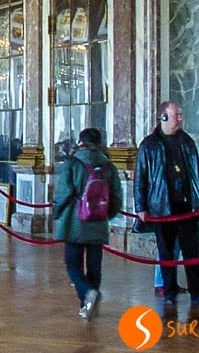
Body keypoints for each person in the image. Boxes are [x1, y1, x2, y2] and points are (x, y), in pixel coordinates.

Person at [134, 101, 199, 308]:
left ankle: (197, 292)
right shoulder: (149, 144)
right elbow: (141, 177)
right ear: (163, 117)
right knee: (166, 252)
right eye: (176, 115)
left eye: (180, 115)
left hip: (187, 206)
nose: (180, 119)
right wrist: (141, 207)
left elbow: (197, 175)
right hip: (162, 206)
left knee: (192, 251)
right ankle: (169, 291)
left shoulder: (187, 141)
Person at [53, 128, 123, 319]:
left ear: (81, 142)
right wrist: (106, 214)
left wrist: (57, 211)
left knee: (72, 264)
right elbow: (117, 196)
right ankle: (87, 305)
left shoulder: (73, 162)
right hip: (98, 221)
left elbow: (63, 192)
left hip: (74, 220)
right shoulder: (108, 165)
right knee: (94, 266)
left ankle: (87, 293)